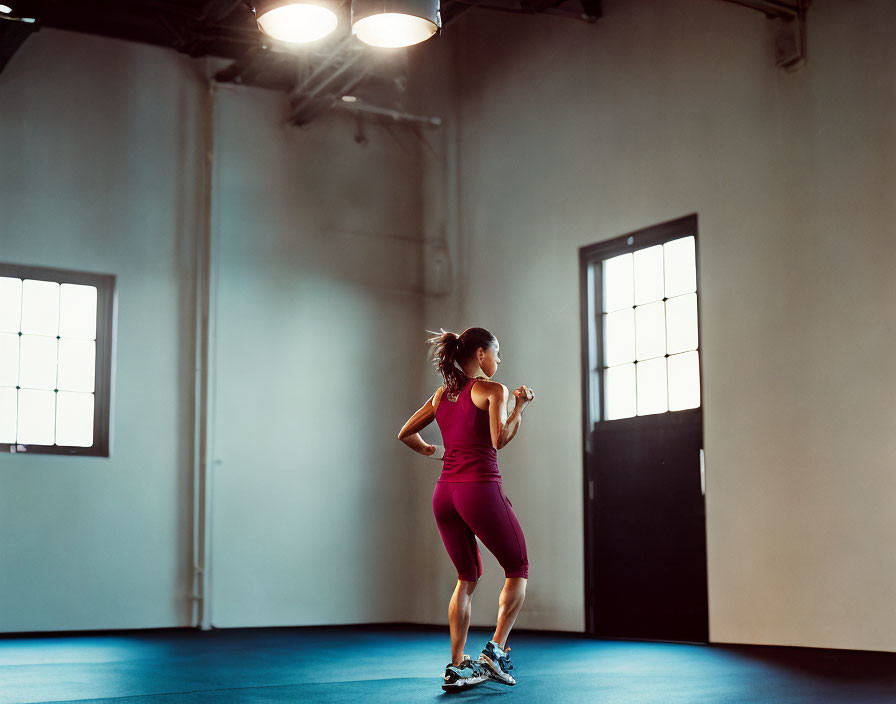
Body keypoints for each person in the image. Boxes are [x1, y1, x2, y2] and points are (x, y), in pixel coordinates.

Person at [398, 326, 535, 693]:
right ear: (480, 354)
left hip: (445, 494)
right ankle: (494, 652)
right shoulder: (492, 389)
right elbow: (499, 439)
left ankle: (457, 666)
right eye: (497, 353)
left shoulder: (443, 394)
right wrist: (519, 407)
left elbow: (406, 433)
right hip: (480, 490)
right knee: (517, 567)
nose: (499, 360)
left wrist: (431, 450)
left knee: (467, 578)